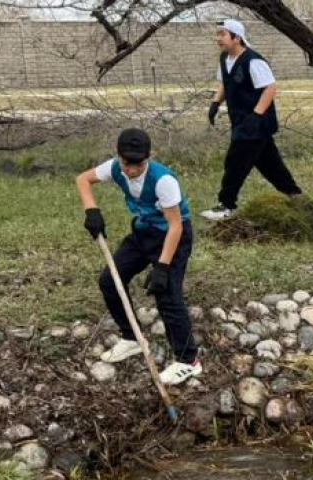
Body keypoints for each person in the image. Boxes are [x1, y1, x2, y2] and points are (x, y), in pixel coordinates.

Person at [76, 128, 202, 386]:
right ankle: (132, 338)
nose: (132, 170)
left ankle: (189, 360)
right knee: (110, 281)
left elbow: (175, 226)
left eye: (138, 164)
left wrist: (162, 268)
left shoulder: (163, 180)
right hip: (144, 232)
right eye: (127, 163)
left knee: (167, 295)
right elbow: (83, 179)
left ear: (148, 158)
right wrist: (92, 211)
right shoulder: (114, 167)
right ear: (119, 156)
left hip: (173, 237)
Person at [200, 19, 303, 220]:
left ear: (237, 37)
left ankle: (226, 205)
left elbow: (270, 88)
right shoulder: (224, 59)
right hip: (240, 121)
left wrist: (256, 115)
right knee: (271, 165)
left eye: (223, 34)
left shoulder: (253, 61)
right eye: (217, 34)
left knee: (235, 163)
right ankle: (296, 196)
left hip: (256, 123)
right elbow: (224, 83)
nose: (218, 38)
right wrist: (215, 103)